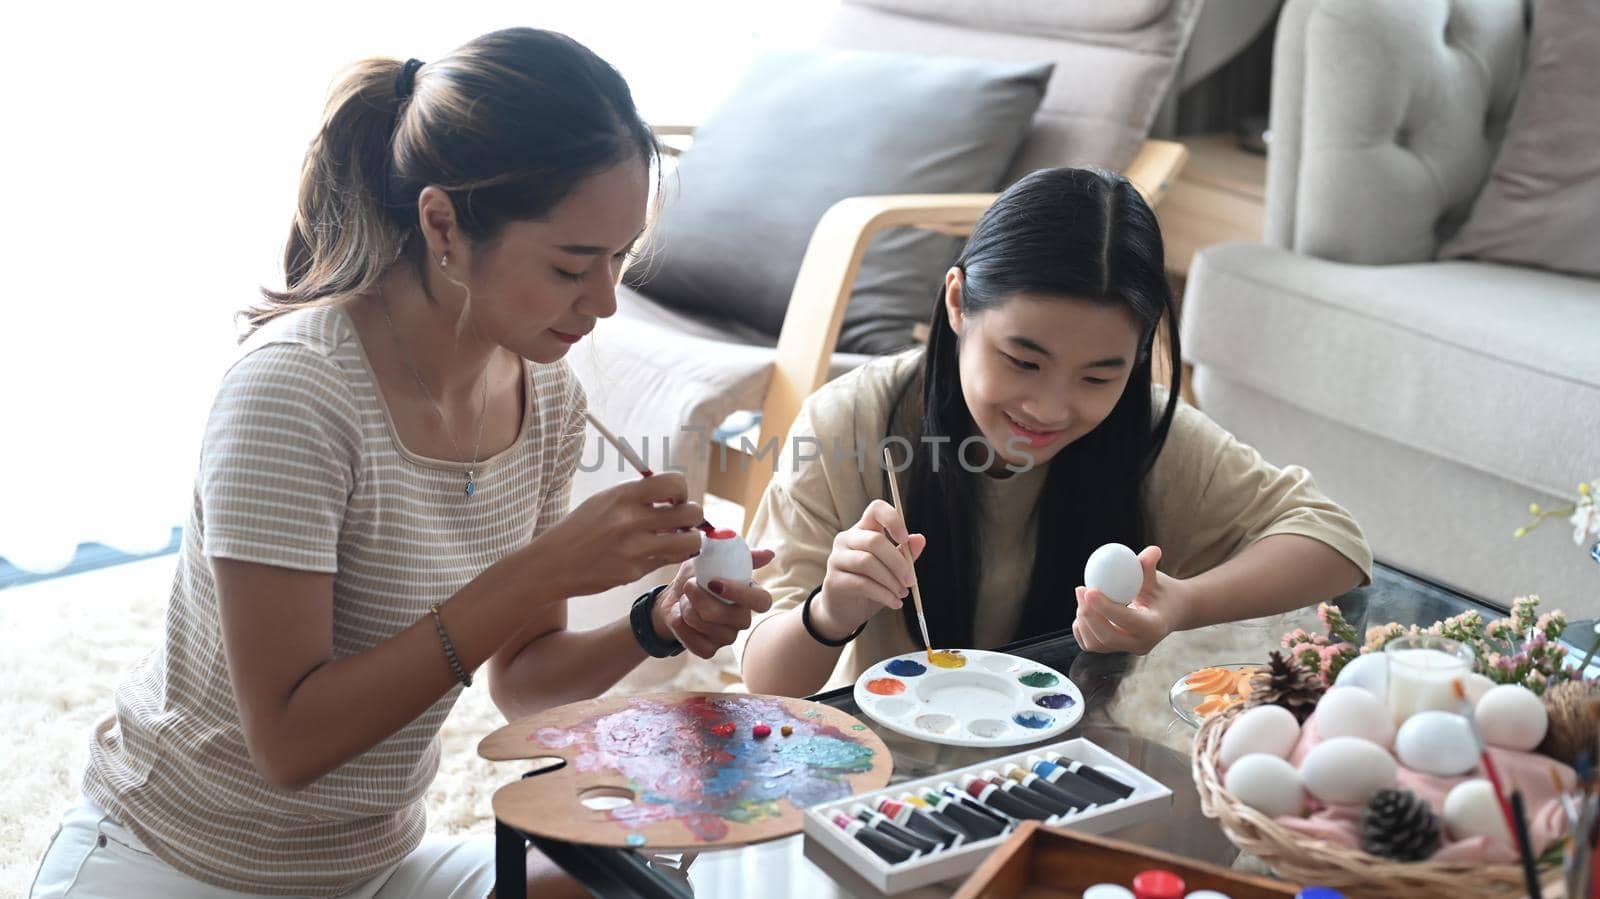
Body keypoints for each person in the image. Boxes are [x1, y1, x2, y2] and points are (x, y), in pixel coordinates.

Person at [28, 28, 772, 899]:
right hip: (186, 863)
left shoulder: (545, 394)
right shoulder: (294, 394)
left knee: (650, 882)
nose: (606, 301)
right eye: (573, 264)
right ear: (442, 223)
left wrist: (653, 621)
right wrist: (547, 563)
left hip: (372, 868)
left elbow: (525, 684)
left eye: (619, 259)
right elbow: (290, 740)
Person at [737, 167, 1370, 698]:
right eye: (1023, 361)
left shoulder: (1144, 431)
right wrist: (830, 612)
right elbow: (764, 683)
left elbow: (1335, 545)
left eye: (1099, 376)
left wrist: (1182, 605)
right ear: (957, 302)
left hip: (1082, 760)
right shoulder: (853, 421)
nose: (1049, 408)